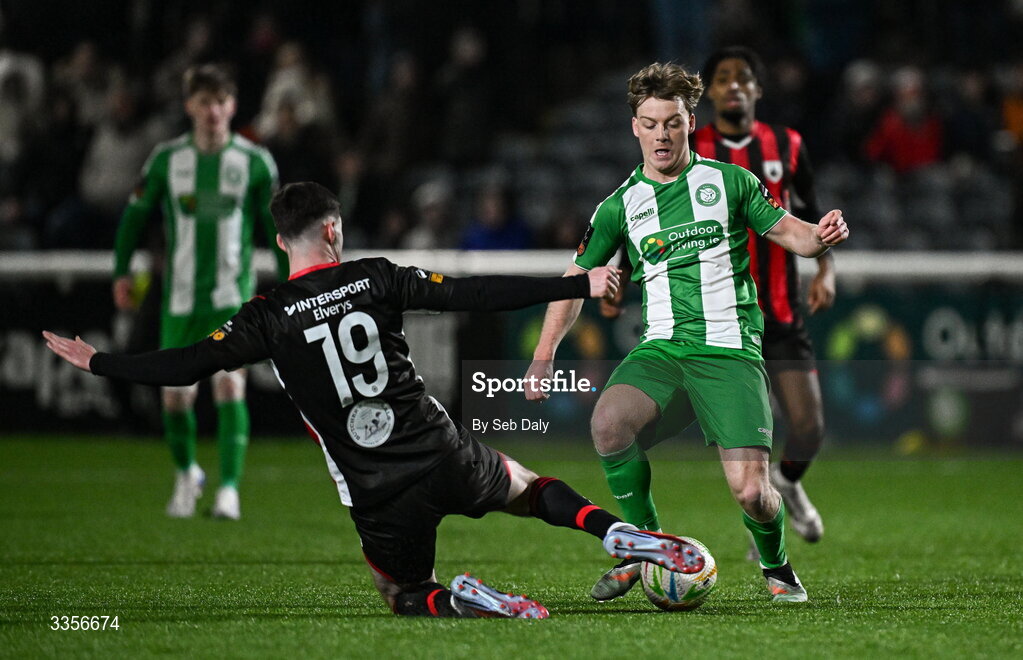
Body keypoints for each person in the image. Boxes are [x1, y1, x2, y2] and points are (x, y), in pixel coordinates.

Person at [45, 181, 703, 619]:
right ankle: (616, 532)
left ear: (281, 242)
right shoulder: (376, 277)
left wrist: (100, 360)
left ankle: (464, 600)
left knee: (400, 593)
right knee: (529, 490)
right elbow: (474, 293)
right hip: (440, 449)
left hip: (375, 489)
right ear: (333, 227)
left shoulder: (267, 315)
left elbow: (187, 365)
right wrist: (576, 284)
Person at [524, 62, 848, 604]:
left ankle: (778, 566)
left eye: (671, 123)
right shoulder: (620, 206)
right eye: (650, 123)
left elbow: (797, 237)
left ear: (689, 121)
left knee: (752, 493)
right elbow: (574, 279)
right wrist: (542, 353)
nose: (661, 135)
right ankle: (645, 546)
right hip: (663, 351)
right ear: (634, 127)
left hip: (729, 350)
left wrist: (824, 235)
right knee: (608, 424)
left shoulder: (731, 182)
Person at [111, 64, 289, 520]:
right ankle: (187, 474)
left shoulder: (253, 162)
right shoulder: (168, 160)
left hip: (233, 297)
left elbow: (275, 231)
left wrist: (295, 283)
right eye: (205, 101)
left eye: (221, 101)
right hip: (180, 298)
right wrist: (121, 271)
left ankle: (229, 490)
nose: (213, 110)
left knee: (230, 387)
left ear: (232, 105)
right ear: (190, 105)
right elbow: (134, 218)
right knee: (175, 397)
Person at [693, 46, 833, 555]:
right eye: (723, 78)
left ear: (758, 90)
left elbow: (811, 212)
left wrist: (826, 269)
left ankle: (789, 483)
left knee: (810, 428)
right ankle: (764, 520)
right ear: (708, 91)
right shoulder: (691, 145)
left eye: (744, 78)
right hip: (721, 312)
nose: (734, 85)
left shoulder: (787, 143)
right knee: (754, 432)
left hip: (780, 308)